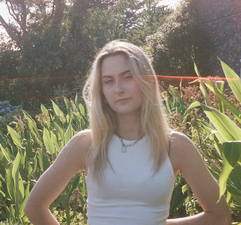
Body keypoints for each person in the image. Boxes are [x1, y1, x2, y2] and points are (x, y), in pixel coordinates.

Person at [24, 40, 231, 225]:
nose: (118, 89)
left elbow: (220, 216)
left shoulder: (175, 146)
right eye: (108, 81)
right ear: (102, 91)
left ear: (146, 81)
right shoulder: (86, 143)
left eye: (127, 77)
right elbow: (34, 207)